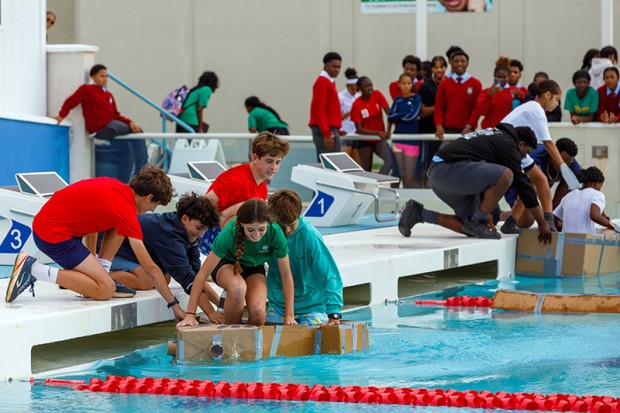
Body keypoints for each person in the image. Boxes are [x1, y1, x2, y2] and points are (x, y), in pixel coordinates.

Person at [6, 166, 175, 308]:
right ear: (149, 197)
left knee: (119, 229)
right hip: (53, 236)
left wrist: (99, 270)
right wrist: (173, 304)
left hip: (51, 227)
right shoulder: (126, 210)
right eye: (154, 205)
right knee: (105, 290)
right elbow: (150, 268)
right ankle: (34, 270)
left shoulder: (116, 187)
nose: (152, 210)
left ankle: (102, 272)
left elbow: (93, 225)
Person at [398, 124, 551, 242]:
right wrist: (542, 223)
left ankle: (419, 213)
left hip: (442, 174)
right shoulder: (507, 144)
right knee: (507, 175)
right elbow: (523, 185)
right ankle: (478, 220)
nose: (525, 156)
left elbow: (484, 178)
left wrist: (487, 212)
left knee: (470, 228)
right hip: (445, 170)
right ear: (521, 144)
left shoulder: (496, 137)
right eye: (527, 152)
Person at [176, 199, 296, 327]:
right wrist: (190, 314)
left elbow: (286, 275)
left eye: (261, 229)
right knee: (238, 288)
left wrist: (289, 315)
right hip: (226, 264)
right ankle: (232, 329)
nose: (256, 235)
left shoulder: (275, 232)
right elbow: (202, 275)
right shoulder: (230, 232)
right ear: (242, 224)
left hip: (254, 268)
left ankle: (247, 336)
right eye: (250, 230)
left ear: (268, 223)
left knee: (258, 312)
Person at [108, 192, 225, 323]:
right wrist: (211, 313)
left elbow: (198, 275)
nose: (201, 235)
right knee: (145, 281)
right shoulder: (170, 237)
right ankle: (105, 277)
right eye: (199, 228)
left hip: (132, 252)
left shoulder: (188, 232)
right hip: (111, 249)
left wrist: (221, 306)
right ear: (184, 219)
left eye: (205, 229)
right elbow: (189, 280)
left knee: (165, 278)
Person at [500, 80, 579, 234]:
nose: (557, 104)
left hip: (514, 149)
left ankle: (548, 221)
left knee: (541, 179)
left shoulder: (531, 107)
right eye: (556, 100)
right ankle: (514, 220)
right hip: (504, 150)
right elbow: (548, 143)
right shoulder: (537, 110)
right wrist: (563, 166)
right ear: (548, 95)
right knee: (534, 184)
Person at [53, 64, 148, 183]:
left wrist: (130, 122)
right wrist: (61, 115)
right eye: (101, 76)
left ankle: (123, 184)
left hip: (112, 126)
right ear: (93, 77)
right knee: (138, 132)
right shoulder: (86, 90)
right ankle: (143, 169)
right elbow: (71, 101)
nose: (105, 79)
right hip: (101, 128)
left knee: (127, 152)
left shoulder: (108, 95)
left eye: (106, 76)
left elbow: (116, 115)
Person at [266, 189, 343, 325]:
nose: (287, 231)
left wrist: (334, 312)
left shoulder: (309, 235)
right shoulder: (266, 232)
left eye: (292, 225)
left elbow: (330, 274)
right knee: (269, 326)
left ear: (299, 215)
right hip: (279, 305)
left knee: (312, 330)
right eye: (282, 226)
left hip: (311, 306)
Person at [205, 131, 291, 228]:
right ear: (255, 158)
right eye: (269, 161)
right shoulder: (235, 180)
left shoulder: (262, 185)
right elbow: (204, 206)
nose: (274, 167)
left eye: (278, 162)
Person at [554, 167, 618, 235]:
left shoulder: (568, 196)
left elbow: (554, 218)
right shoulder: (597, 194)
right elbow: (594, 215)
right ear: (597, 184)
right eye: (601, 186)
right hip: (585, 239)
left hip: (566, 239)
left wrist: (565, 225)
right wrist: (614, 227)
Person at [434, 50, 482, 139]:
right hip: (448, 130)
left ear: (467, 64)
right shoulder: (444, 84)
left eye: (462, 61)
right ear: (451, 63)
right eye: (456, 61)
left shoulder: (476, 84)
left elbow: (477, 108)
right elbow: (439, 107)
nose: (459, 64)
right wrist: (439, 125)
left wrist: (469, 126)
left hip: (468, 131)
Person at [350, 76, 393, 175]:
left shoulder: (377, 94)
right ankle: (371, 183)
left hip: (379, 139)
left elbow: (389, 114)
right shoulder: (356, 104)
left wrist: (388, 130)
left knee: (391, 160)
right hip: (365, 140)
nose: (370, 88)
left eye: (371, 85)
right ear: (360, 88)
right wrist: (378, 133)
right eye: (366, 86)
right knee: (367, 170)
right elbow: (359, 129)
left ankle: (378, 180)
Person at [465, 59, 523, 132]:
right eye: (499, 77)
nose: (501, 79)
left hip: (508, 130)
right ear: (494, 76)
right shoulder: (486, 92)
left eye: (504, 77)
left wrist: (521, 97)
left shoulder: (516, 91)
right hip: (490, 130)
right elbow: (481, 112)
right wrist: (489, 96)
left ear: (508, 77)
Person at [388, 73, 422, 188]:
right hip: (398, 141)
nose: (406, 86)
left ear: (412, 85)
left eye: (408, 83)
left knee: (409, 180)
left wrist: (399, 115)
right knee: (400, 176)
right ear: (399, 85)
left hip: (411, 141)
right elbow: (390, 116)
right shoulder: (397, 100)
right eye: (403, 83)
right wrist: (404, 114)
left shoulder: (416, 98)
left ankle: (421, 196)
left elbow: (412, 116)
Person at [419, 55, 448, 186]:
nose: (439, 70)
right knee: (429, 162)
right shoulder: (425, 87)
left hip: (447, 130)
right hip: (429, 130)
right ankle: (427, 187)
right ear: (431, 69)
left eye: (441, 67)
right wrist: (439, 107)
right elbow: (421, 111)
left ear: (446, 68)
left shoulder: (450, 84)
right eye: (436, 67)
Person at [309, 52, 342, 160]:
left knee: (333, 162)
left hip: (329, 128)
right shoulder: (322, 82)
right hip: (325, 129)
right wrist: (326, 133)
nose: (336, 70)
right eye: (334, 66)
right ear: (325, 65)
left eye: (339, 67)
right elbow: (319, 108)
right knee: (330, 163)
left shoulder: (329, 81)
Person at [338, 67, 361, 162]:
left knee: (358, 163)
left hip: (357, 133)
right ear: (347, 86)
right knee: (344, 161)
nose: (353, 90)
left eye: (355, 87)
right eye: (351, 87)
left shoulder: (359, 97)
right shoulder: (340, 96)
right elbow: (337, 117)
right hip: (345, 133)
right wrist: (350, 112)